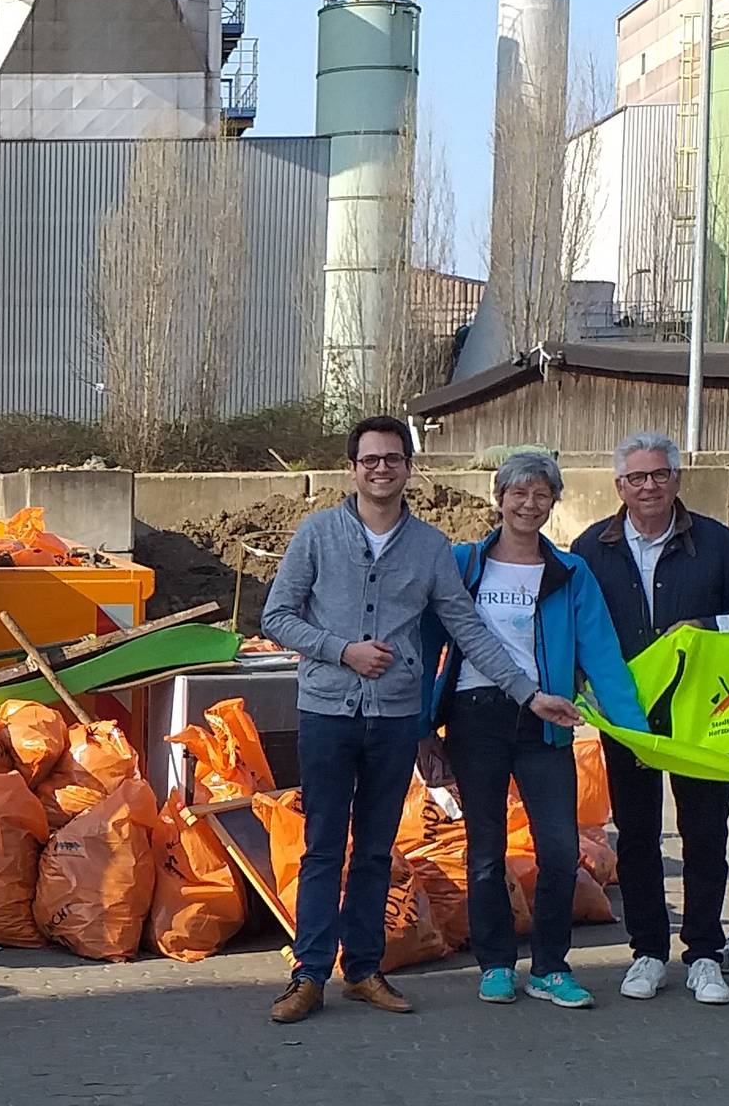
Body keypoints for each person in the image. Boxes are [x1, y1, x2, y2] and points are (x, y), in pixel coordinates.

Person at [258, 416, 535, 1024]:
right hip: (327, 711)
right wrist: (341, 649)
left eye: (392, 459)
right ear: (352, 468)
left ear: (409, 467)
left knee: (378, 849)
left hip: (393, 718)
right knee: (323, 846)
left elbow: (467, 627)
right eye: (369, 459)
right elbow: (275, 616)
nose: (381, 469)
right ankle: (308, 974)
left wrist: (525, 691)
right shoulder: (317, 535)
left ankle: (362, 969)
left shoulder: (430, 547)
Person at [420, 450, 648, 1011]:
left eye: (541, 494)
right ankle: (496, 964)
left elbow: (601, 653)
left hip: (546, 722)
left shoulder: (570, 572)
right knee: (487, 850)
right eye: (518, 493)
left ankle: (550, 967)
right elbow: (425, 646)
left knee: (560, 847)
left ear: (553, 502)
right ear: (499, 499)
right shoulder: (464, 564)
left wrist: (636, 733)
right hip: (476, 717)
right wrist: (422, 731)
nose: (529, 504)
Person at [571, 431, 729, 1006]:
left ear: (677, 479)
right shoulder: (592, 549)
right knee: (636, 836)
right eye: (637, 477)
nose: (649, 486)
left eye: (660, 474)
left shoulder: (716, 544)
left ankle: (705, 953)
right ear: (619, 486)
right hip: (628, 717)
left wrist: (708, 627)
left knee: (706, 834)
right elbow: (566, 620)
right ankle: (647, 952)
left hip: (702, 717)